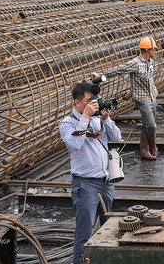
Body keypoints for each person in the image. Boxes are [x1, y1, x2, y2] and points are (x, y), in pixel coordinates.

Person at [59, 82, 122, 264]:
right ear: (77, 103)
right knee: (84, 233)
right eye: (89, 101)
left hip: (106, 182)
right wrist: (85, 118)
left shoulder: (97, 120)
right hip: (85, 184)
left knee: (108, 228)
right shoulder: (66, 123)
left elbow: (117, 138)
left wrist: (106, 119)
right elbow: (75, 145)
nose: (94, 104)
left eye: (95, 100)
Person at [129, 37, 159, 160]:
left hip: (152, 96)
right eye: (155, 49)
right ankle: (153, 146)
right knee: (151, 126)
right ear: (149, 49)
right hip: (142, 99)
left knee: (147, 124)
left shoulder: (150, 62)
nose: (156, 51)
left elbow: (149, 79)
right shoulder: (134, 63)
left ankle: (144, 151)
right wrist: (102, 76)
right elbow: (118, 70)